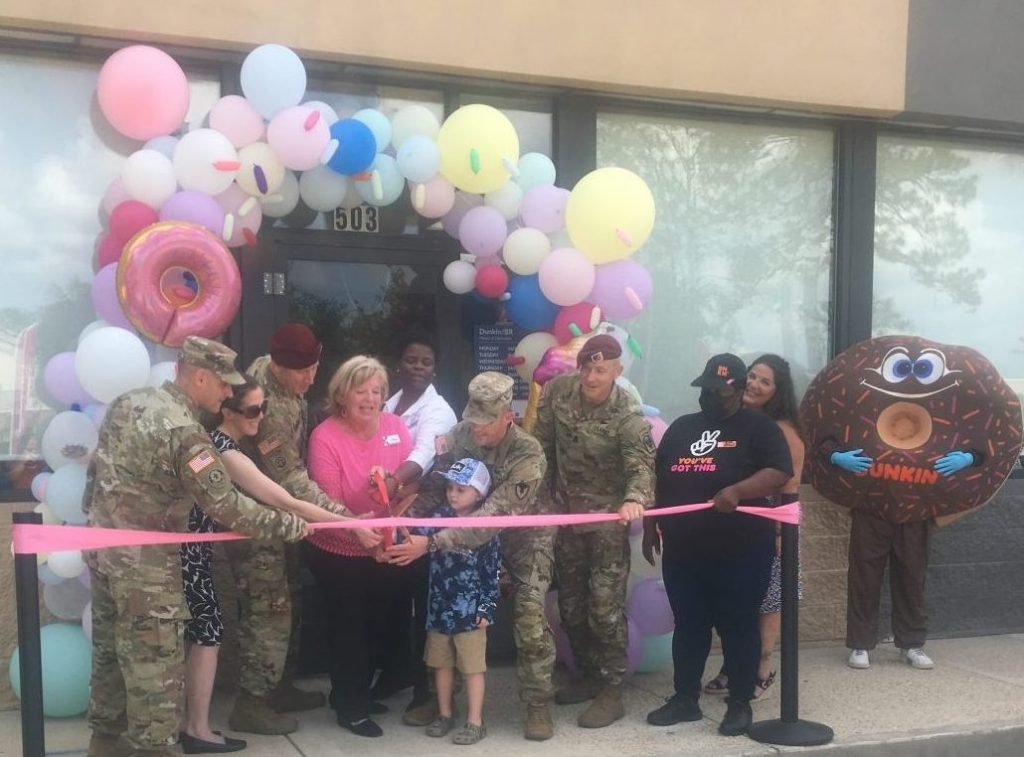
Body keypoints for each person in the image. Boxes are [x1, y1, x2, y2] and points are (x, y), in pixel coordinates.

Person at [84, 337, 311, 757]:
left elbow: (97, 473)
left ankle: (104, 745)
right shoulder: (186, 433)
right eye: (223, 385)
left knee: (110, 663)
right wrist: (291, 525)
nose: (228, 393)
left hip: (104, 556)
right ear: (200, 376)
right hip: (148, 573)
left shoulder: (128, 403)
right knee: (157, 677)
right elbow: (227, 506)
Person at [179, 375, 350, 754]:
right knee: (206, 634)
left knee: (207, 633)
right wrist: (351, 523)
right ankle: (197, 728)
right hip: (187, 553)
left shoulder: (231, 444)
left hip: (199, 551)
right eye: (253, 410)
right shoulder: (222, 449)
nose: (261, 417)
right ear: (229, 411)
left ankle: (198, 726)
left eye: (265, 408)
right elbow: (283, 499)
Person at [385, 372, 558, 742]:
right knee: (444, 617)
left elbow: (492, 517)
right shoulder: (461, 436)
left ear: (507, 416)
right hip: (461, 539)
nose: (476, 428)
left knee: (529, 613)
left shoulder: (528, 453)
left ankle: (537, 704)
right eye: (472, 418)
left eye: (486, 421)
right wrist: (405, 522)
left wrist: (430, 544)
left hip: (523, 541)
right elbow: (435, 490)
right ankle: (442, 703)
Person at [644, 354, 792, 738]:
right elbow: (659, 479)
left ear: (741, 389)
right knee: (689, 626)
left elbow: (779, 473)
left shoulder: (759, 428)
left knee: (738, 626)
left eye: (720, 391)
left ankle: (739, 703)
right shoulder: (682, 427)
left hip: (740, 551)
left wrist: (739, 491)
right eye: (706, 389)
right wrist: (650, 525)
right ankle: (685, 699)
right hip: (684, 549)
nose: (710, 397)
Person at [228, 323, 351, 734]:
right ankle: (251, 702)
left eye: (315, 367)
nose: (311, 379)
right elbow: (291, 480)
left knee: (291, 604)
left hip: (287, 522)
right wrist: (343, 519)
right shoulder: (266, 408)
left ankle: (279, 685)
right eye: (302, 372)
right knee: (268, 613)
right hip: (259, 526)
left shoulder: (278, 373)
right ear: (278, 366)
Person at [532, 334, 655, 728]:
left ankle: (612, 689)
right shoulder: (557, 393)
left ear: (617, 371)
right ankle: (586, 676)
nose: (591, 376)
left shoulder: (628, 414)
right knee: (570, 606)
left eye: (600, 369)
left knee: (604, 609)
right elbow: (542, 449)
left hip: (606, 525)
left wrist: (634, 497)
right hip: (566, 520)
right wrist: (538, 499)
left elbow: (640, 465)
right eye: (586, 367)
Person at [305, 355, 411, 737]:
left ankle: (354, 694)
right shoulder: (325, 437)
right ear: (342, 395)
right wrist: (360, 534)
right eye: (360, 390)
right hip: (339, 548)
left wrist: (392, 522)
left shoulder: (396, 427)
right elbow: (329, 501)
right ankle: (351, 708)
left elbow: (408, 488)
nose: (369, 398)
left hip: (382, 548)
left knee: (375, 626)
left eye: (377, 391)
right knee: (348, 630)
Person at [701, 354, 805, 702]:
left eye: (766, 381)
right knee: (737, 601)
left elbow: (788, 486)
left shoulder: (784, 431)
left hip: (771, 522)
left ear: (778, 391)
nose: (756, 385)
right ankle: (734, 668)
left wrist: (778, 534)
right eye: (753, 377)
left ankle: (762, 668)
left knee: (767, 601)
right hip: (736, 519)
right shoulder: (736, 422)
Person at [828, 441, 982, 671]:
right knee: (864, 577)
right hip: (872, 505)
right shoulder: (868, 406)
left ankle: (912, 643)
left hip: (917, 506)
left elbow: (982, 437)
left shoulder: (938, 406)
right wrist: (834, 455)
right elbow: (821, 435)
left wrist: (971, 456)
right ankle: (860, 644)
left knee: (912, 577)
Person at [376, 335, 458, 724]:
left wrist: (393, 481)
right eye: (412, 360)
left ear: (434, 369)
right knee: (394, 602)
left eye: (426, 362)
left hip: (429, 523)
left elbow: (424, 454)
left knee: (427, 607)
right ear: (399, 365)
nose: (419, 367)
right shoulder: (388, 405)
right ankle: (395, 675)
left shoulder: (439, 411)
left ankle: (427, 692)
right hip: (395, 519)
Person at [417, 458, 500, 746]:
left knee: (472, 667)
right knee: (441, 664)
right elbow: (416, 534)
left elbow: (492, 572)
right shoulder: (439, 517)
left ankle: (475, 721)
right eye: (450, 487)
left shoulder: (484, 528)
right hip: (439, 610)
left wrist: (486, 607)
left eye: (461, 489)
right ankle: (444, 714)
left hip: (470, 615)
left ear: (479, 494)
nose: (452, 494)